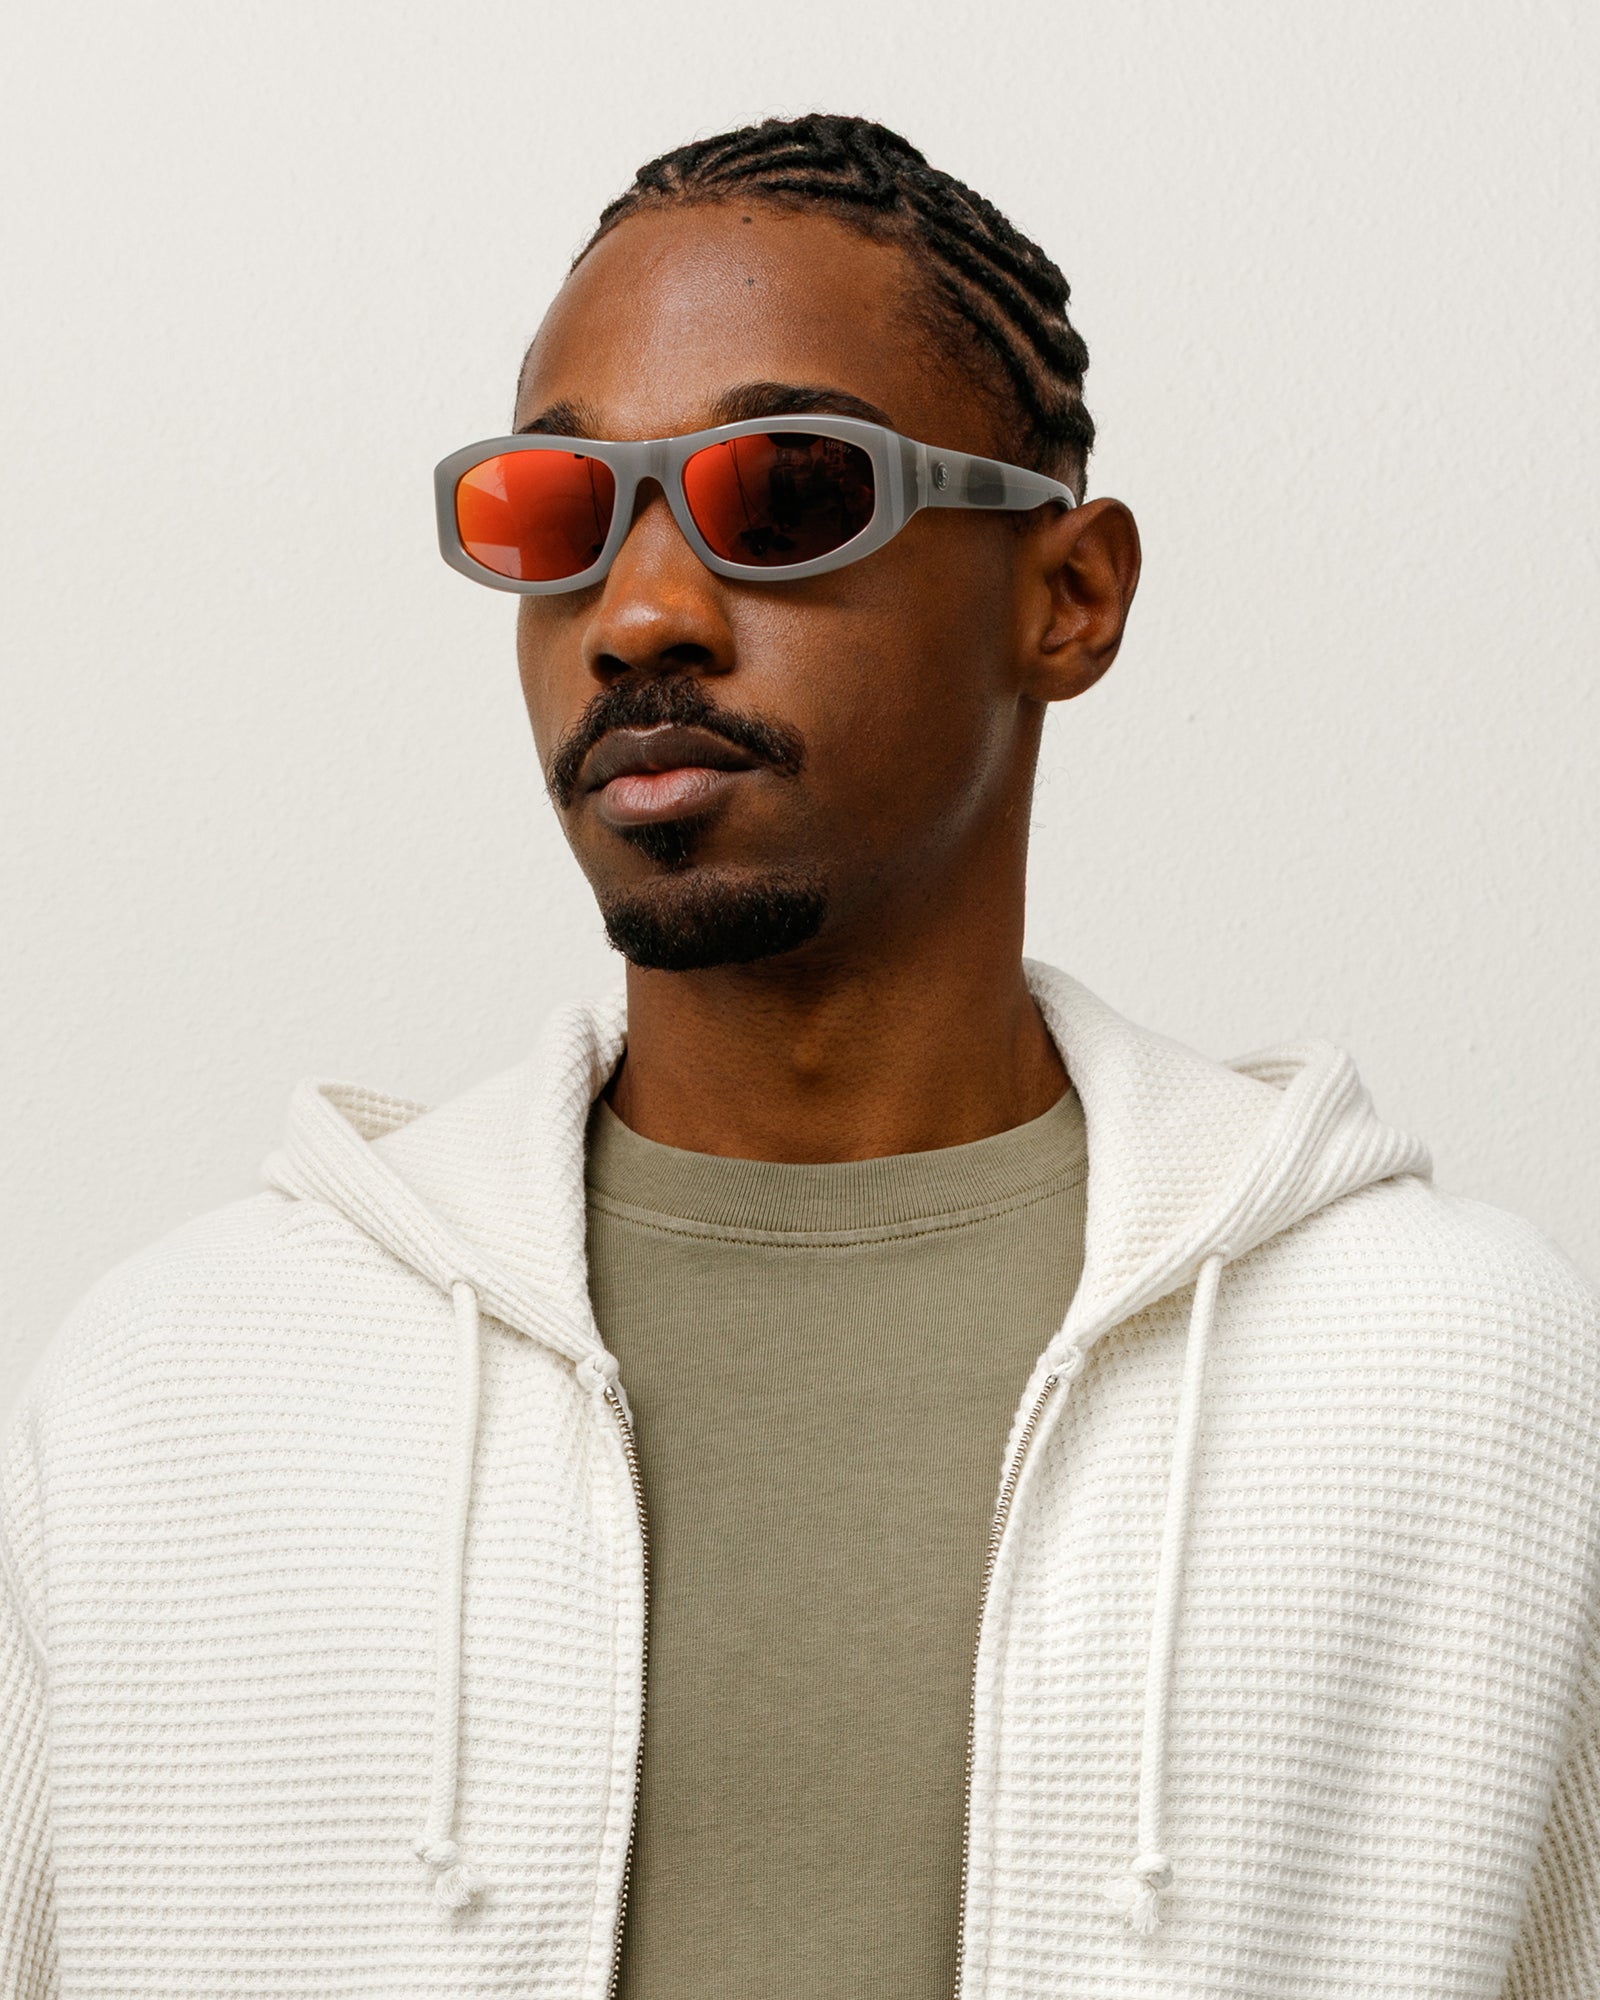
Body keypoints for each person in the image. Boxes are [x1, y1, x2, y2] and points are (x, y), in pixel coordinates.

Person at [2, 112, 1596, 2000]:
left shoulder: (1457, 1388)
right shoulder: (174, 1402)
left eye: (780, 497)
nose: (639, 616)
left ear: (1067, 597)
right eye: (557, 516)